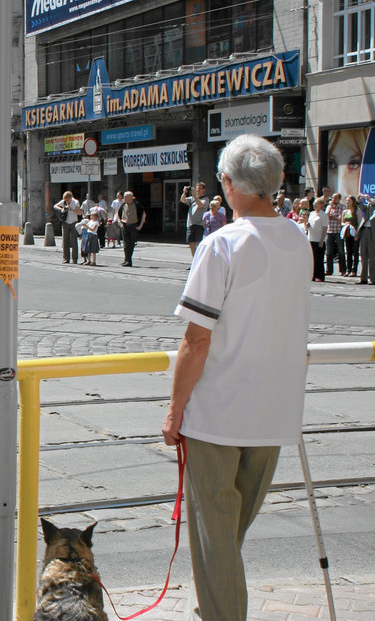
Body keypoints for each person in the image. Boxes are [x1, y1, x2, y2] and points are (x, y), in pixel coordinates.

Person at [162, 134, 311, 621]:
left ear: (229, 184)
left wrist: (174, 411)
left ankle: (221, 614)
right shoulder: (297, 239)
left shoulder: (221, 244)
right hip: (274, 412)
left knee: (216, 536)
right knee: (226, 536)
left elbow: (196, 340)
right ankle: (210, 607)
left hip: (219, 414)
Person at [53, 190, 82, 264]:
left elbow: (79, 213)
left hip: (74, 222)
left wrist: (71, 209)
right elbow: (55, 206)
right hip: (65, 222)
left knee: (74, 241)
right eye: (65, 200)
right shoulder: (63, 202)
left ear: (71, 198)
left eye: (68, 200)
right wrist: (62, 209)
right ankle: (66, 258)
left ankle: (75, 259)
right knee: (65, 240)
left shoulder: (76, 202)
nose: (67, 201)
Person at [119, 190, 146, 267]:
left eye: (125, 196)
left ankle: (128, 260)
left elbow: (143, 214)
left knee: (131, 244)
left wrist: (140, 225)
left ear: (130, 197)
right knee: (126, 244)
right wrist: (120, 223)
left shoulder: (137, 205)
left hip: (133, 226)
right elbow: (119, 214)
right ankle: (127, 260)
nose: (124, 198)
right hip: (125, 225)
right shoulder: (123, 205)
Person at [181, 182, 209, 256]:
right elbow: (182, 200)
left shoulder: (205, 199)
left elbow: (200, 205)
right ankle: (194, 262)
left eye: (200, 188)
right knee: (191, 244)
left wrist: (194, 196)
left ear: (204, 190)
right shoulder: (192, 198)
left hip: (199, 225)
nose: (198, 190)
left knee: (198, 244)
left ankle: (199, 261)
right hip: (190, 224)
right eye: (197, 188)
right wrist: (184, 192)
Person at [307, 196, 328, 282]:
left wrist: (322, 240)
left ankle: (319, 275)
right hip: (311, 238)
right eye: (314, 203)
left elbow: (324, 228)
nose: (314, 205)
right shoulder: (312, 213)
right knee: (311, 259)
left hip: (318, 239)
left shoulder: (323, 215)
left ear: (321, 205)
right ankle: (312, 275)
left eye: (316, 204)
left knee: (318, 259)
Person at [324, 192, 344, 276]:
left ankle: (343, 270)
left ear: (339, 199)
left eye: (335, 198)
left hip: (338, 231)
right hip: (330, 231)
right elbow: (326, 216)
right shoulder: (329, 207)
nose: (333, 200)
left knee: (341, 251)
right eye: (332, 198)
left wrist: (333, 217)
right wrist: (330, 208)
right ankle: (329, 270)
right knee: (329, 252)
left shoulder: (342, 207)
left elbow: (341, 219)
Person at [341, 195, 361, 276]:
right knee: (348, 252)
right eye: (346, 201)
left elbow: (359, 222)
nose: (347, 202)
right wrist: (345, 224)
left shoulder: (357, 210)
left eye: (348, 200)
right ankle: (348, 269)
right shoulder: (345, 212)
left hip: (355, 233)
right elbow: (342, 222)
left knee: (355, 252)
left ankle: (354, 270)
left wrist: (358, 233)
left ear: (353, 201)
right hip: (347, 233)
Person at [359, 195, 374, 284]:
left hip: (372, 233)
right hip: (365, 231)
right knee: (363, 256)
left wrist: (370, 200)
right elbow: (363, 208)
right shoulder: (369, 206)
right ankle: (363, 278)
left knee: (372, 257)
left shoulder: (372, 205)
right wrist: (359, 201)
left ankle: (373, 278)